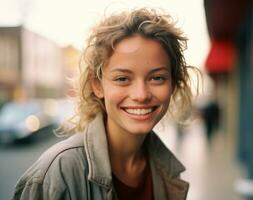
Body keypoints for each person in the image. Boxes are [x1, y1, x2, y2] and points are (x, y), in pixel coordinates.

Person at [12, 8, 198, 200]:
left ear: (173, 84)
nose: (141, 95)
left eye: (157, 78)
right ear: (97, 85)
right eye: (122, 78)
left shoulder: (165, 170)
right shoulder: (58, 175)